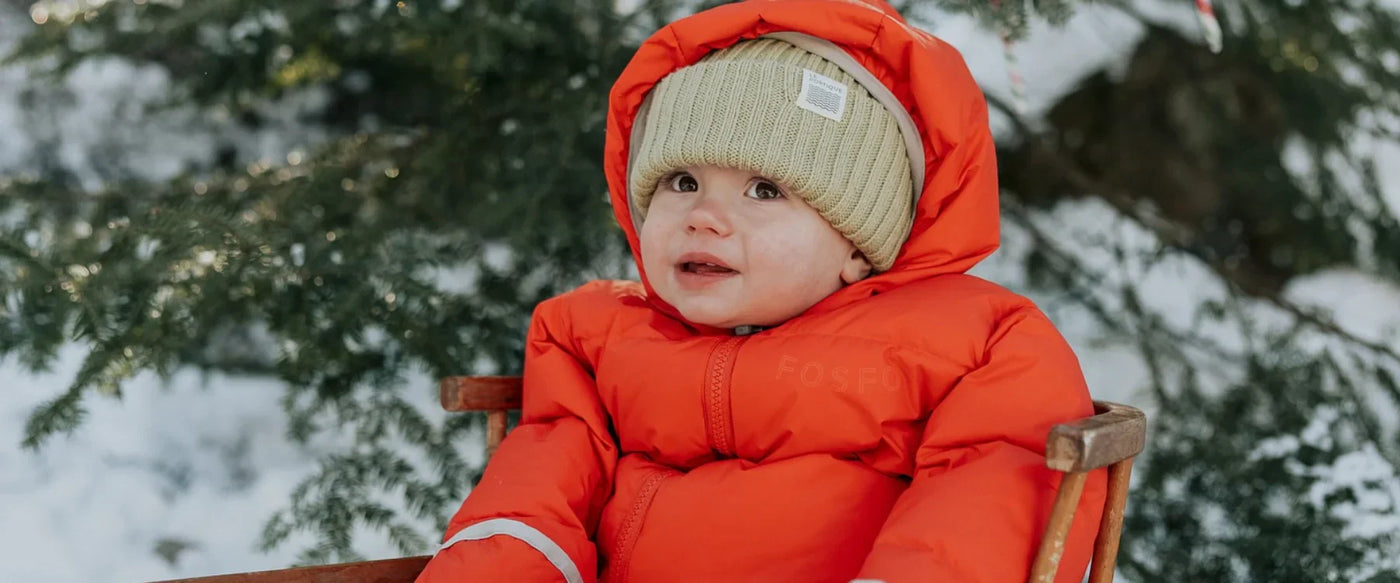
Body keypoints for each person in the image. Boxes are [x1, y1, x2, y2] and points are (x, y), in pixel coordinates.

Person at [416, 1, 1106, 581]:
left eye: (765, 190)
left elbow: (993, 486)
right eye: (682, 181)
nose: (703, 216)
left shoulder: (968, 343)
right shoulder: (594, 337)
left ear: (857, 246)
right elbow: (532, 504)